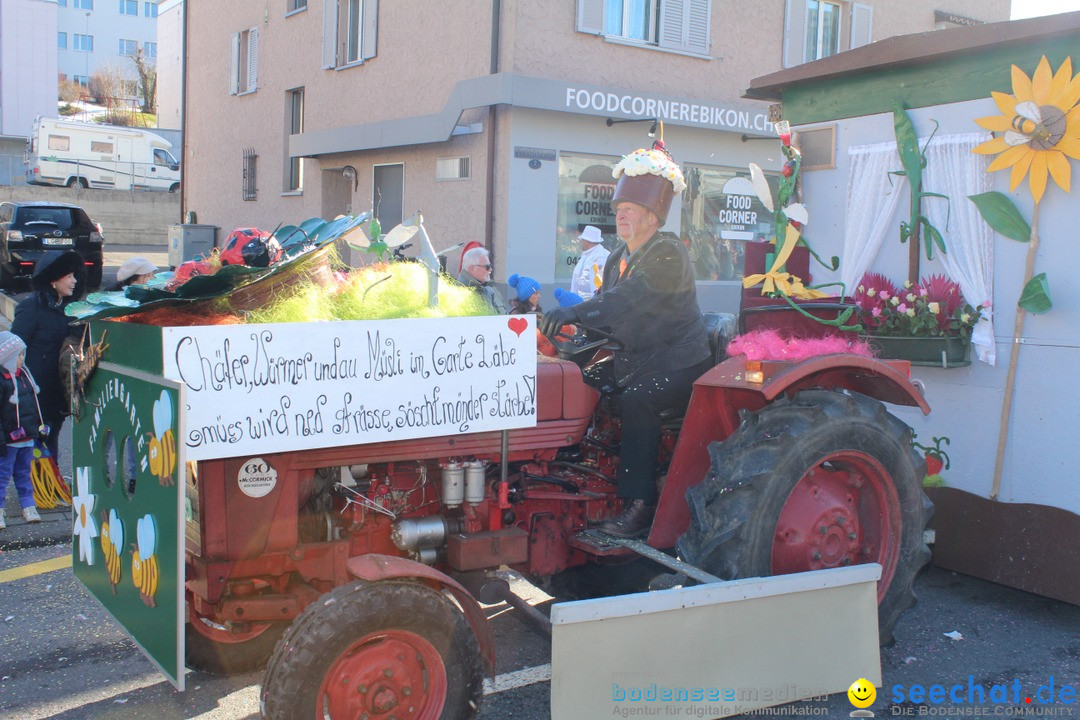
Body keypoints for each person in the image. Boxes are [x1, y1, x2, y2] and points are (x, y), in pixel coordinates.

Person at [540, 141, 711, 538]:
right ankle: (576, 475)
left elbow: (630, 299)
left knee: (639, 399)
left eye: (629, 211)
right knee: (577, 380)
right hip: (637, 354)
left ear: (652, 217)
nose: (620, 216)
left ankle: (641, 506)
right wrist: (570, 331)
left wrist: (575, 311)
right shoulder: (620, 254)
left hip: (677, 361)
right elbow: (606, 304)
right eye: (618, 211)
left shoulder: (668, 253)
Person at [12, 250, 85, 461]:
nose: (74, 281)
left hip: (59, 387)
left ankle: (50, 481)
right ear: (53, 279)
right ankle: (39, 484)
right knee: (38, 439)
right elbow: (16, 347)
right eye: (69, 276)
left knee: (52, 436)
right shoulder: (31, 307)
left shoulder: (72, 309)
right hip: (36, 390)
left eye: (75, 275)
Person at [0, 332, 45, 528]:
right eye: (19, 355)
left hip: (26, 436)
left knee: (23, 473)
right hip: (8, 440)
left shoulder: (25, 375)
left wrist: (39, 429)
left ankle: (28, 505)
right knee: (2, 475)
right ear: (8, 356)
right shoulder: (3, 381)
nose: (22, 359)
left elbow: (33, 405)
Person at [457, 246, 509, 314]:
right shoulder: (456, 292)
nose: (490, 269)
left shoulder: (489, 291)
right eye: (487, 267)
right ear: (473, 268)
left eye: (490, 266)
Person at [570, 225, 610, 300]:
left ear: (588, 242)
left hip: (591, 302)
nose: (581, 242)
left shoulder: (602, 256)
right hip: (580, 301)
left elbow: (599, 284)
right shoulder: (586, 255)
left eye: (583, 240)